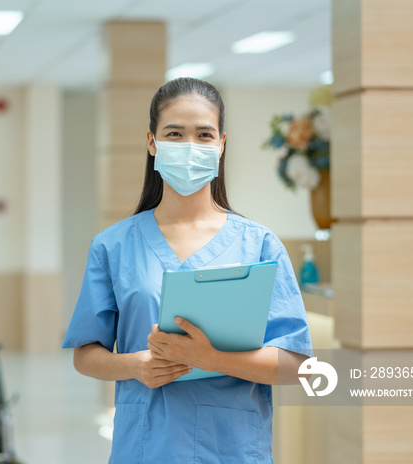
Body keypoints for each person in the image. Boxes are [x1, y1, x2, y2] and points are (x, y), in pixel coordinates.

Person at [62, 78, 313, 463]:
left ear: (221, 144)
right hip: (146, 446)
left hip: (230, 448)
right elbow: (85, 354)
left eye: (204, 134)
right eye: (175, 134)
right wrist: (135, 365)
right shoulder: (113, 245)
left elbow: (296, 365)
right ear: (152, 142)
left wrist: (210, 358)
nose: (190, 147)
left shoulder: (259, 245)